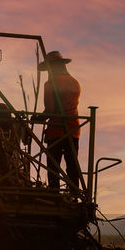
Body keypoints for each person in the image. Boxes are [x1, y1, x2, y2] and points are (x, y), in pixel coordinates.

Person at [39, 50, 83, 191]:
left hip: (56, 130)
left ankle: (55, 194)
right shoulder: (75, 82)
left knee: (53, 165)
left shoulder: (50, 84)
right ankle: (74, 194)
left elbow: (50, 110)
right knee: (72, 164)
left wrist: (36, 118)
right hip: (73, 129)